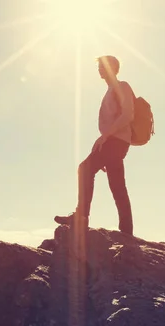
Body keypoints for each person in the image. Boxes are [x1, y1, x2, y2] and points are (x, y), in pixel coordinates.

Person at [54, 55, 135, 236]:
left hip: (116, 141)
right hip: (113, 142)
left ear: (113, 68)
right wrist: (103, 142)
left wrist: (105, 137)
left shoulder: (122, 86)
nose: (99, 69)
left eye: (102, 66)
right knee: (117, 185)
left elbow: (128, 115)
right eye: (98, 66)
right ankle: (127, 231)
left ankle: (81, 217)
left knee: (85, 169)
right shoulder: (110, 90)